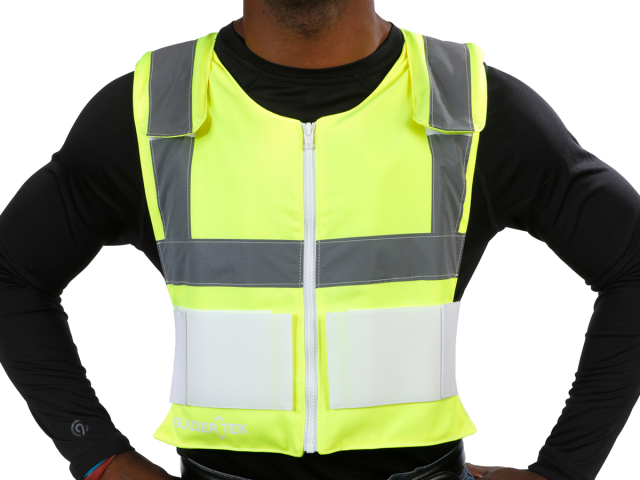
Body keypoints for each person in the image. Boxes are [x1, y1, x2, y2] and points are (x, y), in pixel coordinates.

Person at [0, 1, 639, 479]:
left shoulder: (466, 105)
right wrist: (98, 456)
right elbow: (12, 272)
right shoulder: (154, 110)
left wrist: (565, 470)